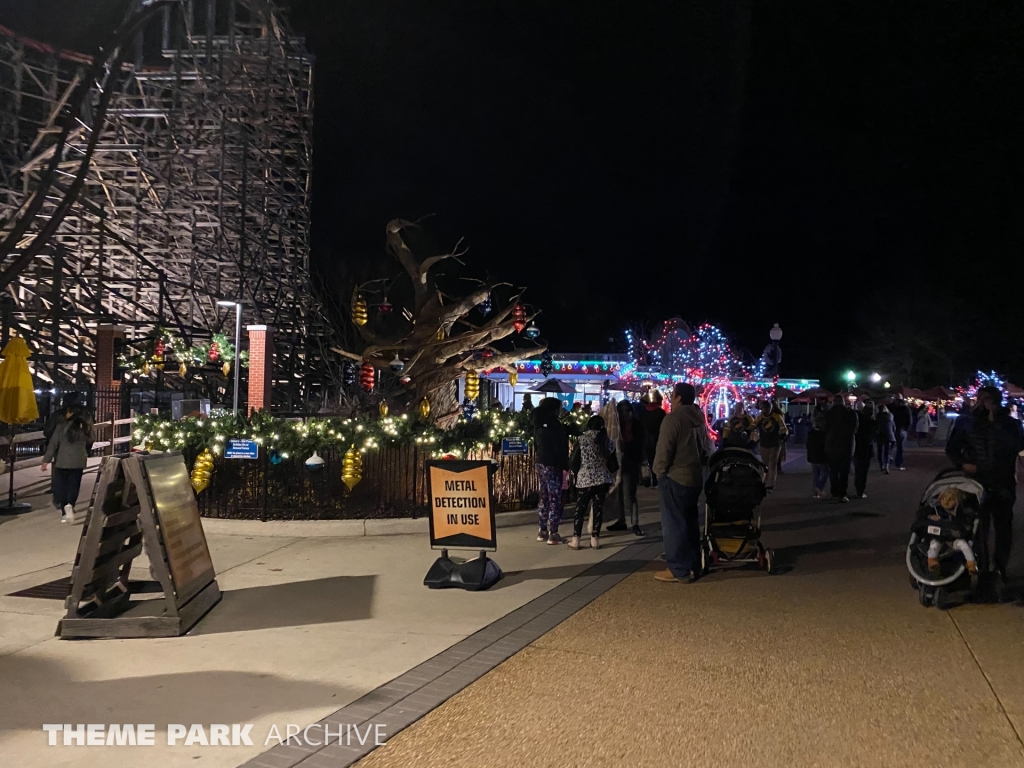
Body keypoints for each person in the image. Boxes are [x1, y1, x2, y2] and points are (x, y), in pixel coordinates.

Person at [946, 385, 1024, 584]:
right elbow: (953, 448)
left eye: (988, 399)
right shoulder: (966, 423)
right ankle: (978, 565)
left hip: (1002, 481)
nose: (983, 402)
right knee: (976, 526)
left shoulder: (1011, 425)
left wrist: (995, 420)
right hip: (975, 482)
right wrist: (963, 463)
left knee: (1003, 526)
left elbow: (1017, 446)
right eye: (981, 398)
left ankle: (1000, 567)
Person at [652, 383, 706, 583]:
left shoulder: (673, 419)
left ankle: (678, 568)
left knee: (674, 524)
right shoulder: (698, 419)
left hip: (675, 476)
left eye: (672, 395)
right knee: (690, 523)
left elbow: (664, 450)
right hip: (694, 476)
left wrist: (659, 472)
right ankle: (692, 563)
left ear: (678, 398)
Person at [568, 416, 615, 550]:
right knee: (598, 509)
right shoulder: (607, 441)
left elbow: (573, 461)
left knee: (580, 510)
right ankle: (595, 539)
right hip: (602, 479)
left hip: (585, 480)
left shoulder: (582, 440)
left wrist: (578, 472)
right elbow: (613, 463)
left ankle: (576, 539)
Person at [40, 409, 94, 522]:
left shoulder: (61, 426)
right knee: (74, 485)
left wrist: (46, 460)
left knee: (62, 487)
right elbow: (91, 440)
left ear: (70, 415)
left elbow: (53, 443)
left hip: (63, 460)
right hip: (78, 460)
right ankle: (70, 504)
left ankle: (64, 513)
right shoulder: (84, 427)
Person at [532, 397, 569, 544]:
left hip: (540, 462)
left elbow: (536, 445)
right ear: (554, 410)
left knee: (544, 496)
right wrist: (565, 464)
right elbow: (560, 448)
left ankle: (542, 531)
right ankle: (553, 532)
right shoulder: (555, 426)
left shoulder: (538, 425)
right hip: (553, 464)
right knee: (555, 497)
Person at [607, 399, 645, 535]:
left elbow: (640, 444)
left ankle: (635, 523)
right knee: (618, 493)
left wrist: (627, 447)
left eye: (629, 411)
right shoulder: (617, 426)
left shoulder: (636, 425)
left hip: (630, 462)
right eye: (624, 411)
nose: (627, 414)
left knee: (630, 493)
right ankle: (621, 519)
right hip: (618, 462)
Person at [924, 488, 978, 579]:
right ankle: (932, 560)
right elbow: (923, 516)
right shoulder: (937, 510)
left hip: (954, 540)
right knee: (934, 544)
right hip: (939, 537)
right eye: (944, 499)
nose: (947, 502)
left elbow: (965, 528)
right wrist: (930, 517)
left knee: (964, 545)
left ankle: (971, 563)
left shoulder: (962, 513)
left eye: (950, 500)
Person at [824, 394, 858, 502]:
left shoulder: (828, 414)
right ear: (844, 402)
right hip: (847, 445)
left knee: (833, 471)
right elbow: (855, 429)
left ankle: (834, 492)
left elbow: (824, 428)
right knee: (844, 472)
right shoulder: (851, 413)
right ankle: (843, 494)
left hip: (832, 446)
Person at [754, 399, 787, 492]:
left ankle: (770, 484)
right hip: (764, 443)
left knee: (772, 464)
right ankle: (764, 481)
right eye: (763, 408)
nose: (765, 410)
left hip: (774, 444)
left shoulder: (777, 417)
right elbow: (752, 425)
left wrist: (782, 437)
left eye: (767, 408)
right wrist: (747, 431)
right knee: (765, 464)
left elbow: (784, 428)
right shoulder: (760, 418)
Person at [639, 390, 666, 487]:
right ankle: (656, 480)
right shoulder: (661, 413)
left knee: (649, 461)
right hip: (657, 440)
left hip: (645, 440)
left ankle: (649, 480)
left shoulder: (643, 412)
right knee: (657, 460)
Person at [853, 401, 877, 498]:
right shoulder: (872, 422)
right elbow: (874, 435)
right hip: (866, 447)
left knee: (857, 469)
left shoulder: (858, 420)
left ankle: (857, 487)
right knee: (863, 470)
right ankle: (860, 490)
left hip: (857, 446)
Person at [806, 411, 829, 498]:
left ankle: (817, 490)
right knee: (824, 473)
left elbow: (808, 446)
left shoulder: (811, 433)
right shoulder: (824, 434)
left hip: (813, 457)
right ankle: (819, 488)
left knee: (816, 474)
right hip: (822, 457)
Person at [890, 394, 912, 470]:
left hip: (892, 428)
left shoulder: (891, 407)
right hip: (901, 429)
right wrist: (906, 428)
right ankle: (898, 463)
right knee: (900, 447)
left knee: (891, 445)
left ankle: (889, 459)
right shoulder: (905, 408)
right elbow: (909, 420)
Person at [875, 404, 896, 473]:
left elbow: (876, 426)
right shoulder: (890, 416)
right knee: (887, 451)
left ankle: (881, 465)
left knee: (880, 451)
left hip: (880, 435)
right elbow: (894, 427)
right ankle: (887, 465)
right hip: (889, 435)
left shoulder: (878, 416)